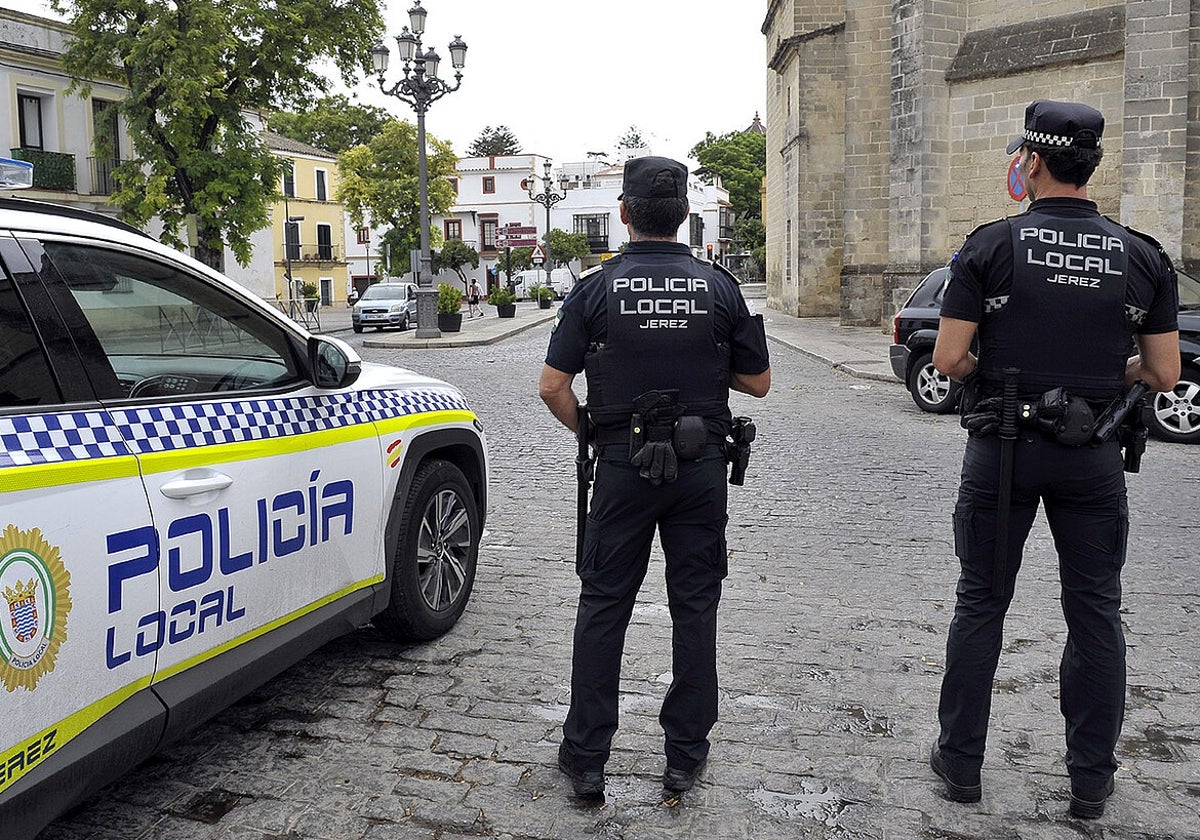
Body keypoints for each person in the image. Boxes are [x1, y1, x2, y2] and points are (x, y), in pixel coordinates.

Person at [929, 100, 1180, 819]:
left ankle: (963, 764)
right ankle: (1090, 781)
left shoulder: (992, 245)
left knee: (981, 601)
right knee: (1095, 613)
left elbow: (947, 358)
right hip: (1092, 454)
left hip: (1004, 450)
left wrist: (998, 371)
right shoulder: (1140, 254)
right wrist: (1111, 375)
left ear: (1032, 162)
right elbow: (1163, 374)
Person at [539, 156, 771, 801]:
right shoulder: (720, 286)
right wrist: (701, 366)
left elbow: (552, 386)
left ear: (622, 216)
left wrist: (593, 430)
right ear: (686, 217)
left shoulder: (594, 288)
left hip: (620, 465)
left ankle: (586, 759)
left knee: (603, 605)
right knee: (695, 606)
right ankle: (685, 756)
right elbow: (758, 381)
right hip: (700, 470)